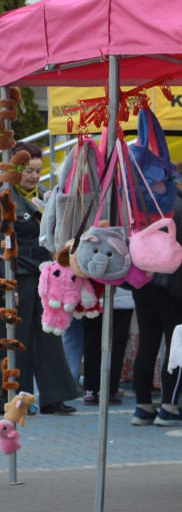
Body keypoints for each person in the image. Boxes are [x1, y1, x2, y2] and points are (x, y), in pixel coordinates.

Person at [130, 176, 182, 427]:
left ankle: (143, 407)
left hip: (143, 283)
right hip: (175, 286)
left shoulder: (142, 206)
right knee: (176, 347)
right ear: (179, 184)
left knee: (148, 345)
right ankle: (169, 407)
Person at [10, 142, 78, 415]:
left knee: (50, 337)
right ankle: (18, 397)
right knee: (19, 339)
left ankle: (53, 396)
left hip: (45, 278)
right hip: (19, 278)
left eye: (38, 170)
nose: (34, 176)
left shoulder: (45, 197)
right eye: (28, 170)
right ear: (16, 169)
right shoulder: (6, 198)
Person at [80, 287, 133, 405]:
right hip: (120, 293)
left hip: (93, 292)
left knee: (92, 342)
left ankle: (91, 390)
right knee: (116, 344)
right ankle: (110, 390)